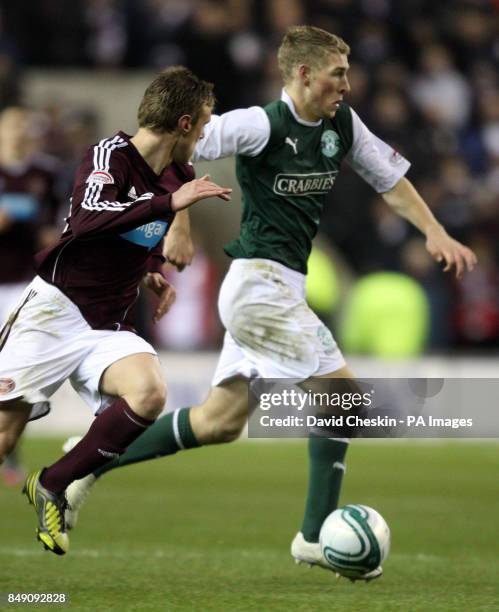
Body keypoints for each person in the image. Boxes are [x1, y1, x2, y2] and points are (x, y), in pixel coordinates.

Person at [65, 26, 477, 578]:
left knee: (219, 421)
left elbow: (391, 180)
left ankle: (82, 461)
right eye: (338, 74)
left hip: (281, 287)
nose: (347, 85)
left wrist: (433, 231)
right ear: (304, 75)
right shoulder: (260, 125)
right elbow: (170, 147)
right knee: (343, 397)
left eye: (348, 73)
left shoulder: (342, 125)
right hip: (259, 287)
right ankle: (313, 537)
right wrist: (177, 221)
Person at [0, 66, 232, 555]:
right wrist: (169, 203)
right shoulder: (110, 154)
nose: (207, 135)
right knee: (5, 434)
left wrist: (150, 270)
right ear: (185, 124)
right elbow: (86, 222)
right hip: (55, 311)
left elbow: (138, 233)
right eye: (205, 124)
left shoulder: (178, 175)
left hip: (108, 321)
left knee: (149, 393)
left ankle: (51, 483)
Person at [0, 106, 62, 486]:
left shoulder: (46, 174)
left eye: (25, 125)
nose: (20, 131)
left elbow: (57, 223)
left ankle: (11, 455)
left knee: (13, 375)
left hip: (26, 285)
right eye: (13, 124)